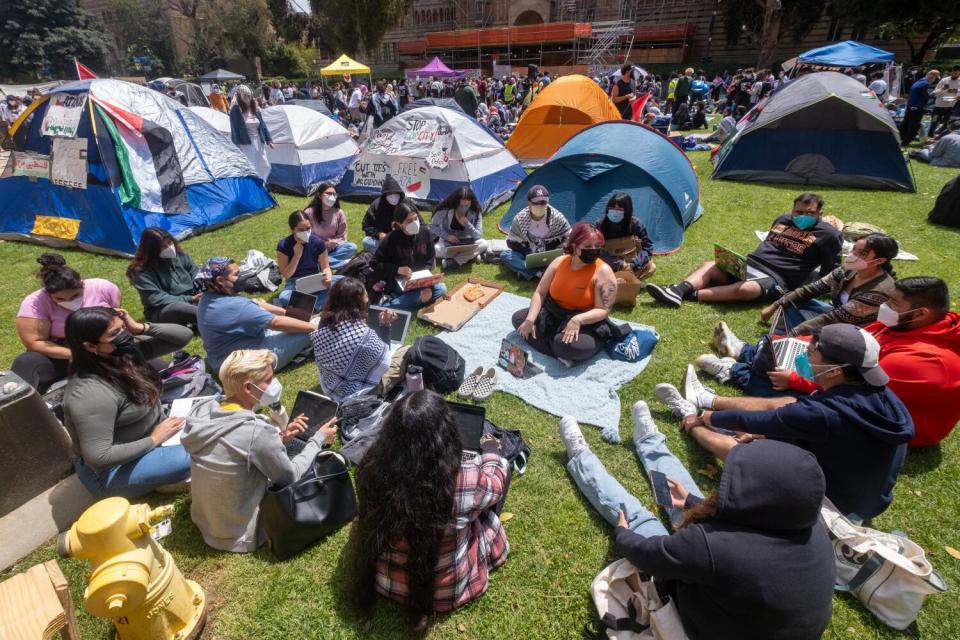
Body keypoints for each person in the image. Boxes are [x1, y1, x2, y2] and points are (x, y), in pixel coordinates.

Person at [559, 405, 834, 640]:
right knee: (691, 500)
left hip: (701, 627)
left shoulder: (715, 547)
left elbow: (647, 554)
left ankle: (582, 459)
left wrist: (622, 534)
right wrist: (691, 502)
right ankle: (650, 442)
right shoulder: (805, 523)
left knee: (640, 521)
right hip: (754, 622)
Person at [660, 324, 914, 520]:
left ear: (835, 370)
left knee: (747, 455)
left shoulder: (823, 414)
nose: (806, 354)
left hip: (833, 508)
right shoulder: (878, 392)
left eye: (812, 351)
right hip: (862, 495)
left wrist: (709, 417)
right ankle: (706, 398)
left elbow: (757, 421)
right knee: (787, 404)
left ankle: (689, 418)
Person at [348, 390, 509, 629]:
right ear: (447, 435)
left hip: (383, 581)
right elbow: (496, 483)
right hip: (447, 591)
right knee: (485, 508)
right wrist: (492, 453)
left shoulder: (371, 467)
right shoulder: (465, 478)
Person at [697, 234, 899, 395]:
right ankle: (754, 351)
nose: (852, 255)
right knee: (791, 304)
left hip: (847, 335)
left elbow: (833, 319)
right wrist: (776, 305)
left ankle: (744, 359)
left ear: (879, 261)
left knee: (790, 359)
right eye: (853, 248)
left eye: (861, 253)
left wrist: (791, 334)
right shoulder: (850, 270)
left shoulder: (879, 291)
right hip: (835, 317)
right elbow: (813, 288)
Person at [181, 349, 337, 552]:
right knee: (325, 466)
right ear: (248, 388)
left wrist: (280, 438)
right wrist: (318, 439)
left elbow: (236, 447)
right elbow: (290, 478)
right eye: (268, 380)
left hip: (207, 520)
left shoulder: (205, 410)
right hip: (239, 533)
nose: (274, 384)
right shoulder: (256, 431)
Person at [62, 307, 193, 498]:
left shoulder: (122, 354)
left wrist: (140, 327)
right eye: (114, 334)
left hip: (154, 434)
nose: (124, 336)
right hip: (112, 472)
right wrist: (155, 439)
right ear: (90, 346)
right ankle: (161, 478)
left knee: (213, 426)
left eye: (123, 328)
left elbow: (184, 336)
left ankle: (165, 473)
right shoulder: (89, 393)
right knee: (202, 449)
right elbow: (99, 457)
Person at [646, 193, 842, 307]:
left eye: (810, 213)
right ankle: (677, 290)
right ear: (792, 209)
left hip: (777, 279)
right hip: (751, 264)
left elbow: (831, 269)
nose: (802, 216)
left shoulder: (828, 234)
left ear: (820, 214)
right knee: (712, 265)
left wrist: (823, 291)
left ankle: (689, 295)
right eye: (799, 212)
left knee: (747, 289)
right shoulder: (782, 220)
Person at [863, 277, 960, 447]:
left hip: (889, 425)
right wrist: (806, 342)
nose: (884, 306)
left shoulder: (924, 360)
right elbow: (856, 339)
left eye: (893, 303)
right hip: (870, 394)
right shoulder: (904, 324)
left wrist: (799, 374)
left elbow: (846, 386)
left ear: (921, 313)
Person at [511, 223, 618, 366]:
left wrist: (577, 320)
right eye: (587, 246)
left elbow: (603, 310)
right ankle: (557, 350)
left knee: (565, 345)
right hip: (553, 314)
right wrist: (530, 320)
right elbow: (540, 292)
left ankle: (557, 347)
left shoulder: (603, 271)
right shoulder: (559, 262)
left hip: (586, 322)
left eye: (597, 246)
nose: (593, 250)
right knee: (519, 319)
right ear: (573, 246)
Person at [195, 257, 316, 373]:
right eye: (236, 274)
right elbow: (276, 323)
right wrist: (317, 328)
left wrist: (289, 313)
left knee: (302, 325)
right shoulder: (235, 306)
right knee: (314, 326)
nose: (242, 277)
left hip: (222, 360)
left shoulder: (208, 297)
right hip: (247, 365)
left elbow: (256, 303)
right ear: (220, 280)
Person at [310, 277, 407, 402]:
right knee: (405, 351)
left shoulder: (324, 322)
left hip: (330, 387)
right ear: (358, 304)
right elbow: (385, 363)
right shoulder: (364, 337)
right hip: (359, 395)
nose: (368, 300)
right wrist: (384, 325)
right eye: (366, 297)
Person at [370, 203, 447, 310]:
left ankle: (407, 299)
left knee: (442, 289)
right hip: (399, 281)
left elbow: (430, 257)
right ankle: (387, 306)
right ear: (399, 223)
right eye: (409, 221)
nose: (415, 223)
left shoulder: (425, 232)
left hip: (421, 280)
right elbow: (375, 263)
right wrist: (397, 270)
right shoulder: (391, 239)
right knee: (425, 295)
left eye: (415, 218)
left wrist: (426, 276)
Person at [128, 227, 200, 326]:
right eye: (163, 247)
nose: (169, 248)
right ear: (152, 250)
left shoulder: (180, 256)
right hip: (164, 308)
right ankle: (211, 316)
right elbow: (157, 299)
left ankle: (203, 318)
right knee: (180, 308)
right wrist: (190, 299)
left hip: (193, 298)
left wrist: (204, 290)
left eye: (170, 243)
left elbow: (196, 274)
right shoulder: (141, 272)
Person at [501, 185, 571, 280]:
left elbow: (569, 236)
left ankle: (527, 272)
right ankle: (540, 274)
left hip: (550, 255)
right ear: (529, 203)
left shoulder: (556, 217)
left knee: (569, 256)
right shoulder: (520, 219)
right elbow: (511, 242)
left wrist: (558, 250)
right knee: (506, 255)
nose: (540, 205)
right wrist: (527, 252)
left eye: (544, 202)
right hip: (528, 255)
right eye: (536, 203)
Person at [275, 210, 335, 310]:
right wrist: (296, 256)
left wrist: (328, 277)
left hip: (315, 279)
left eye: (308, 228)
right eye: (301, 230)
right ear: (292, 229)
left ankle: (306, 306)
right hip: (294, 283)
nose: (306, 232)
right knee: (284, 297)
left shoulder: (318, 243)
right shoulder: (283, 245)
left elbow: (325, 267)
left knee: (341, 283)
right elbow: (286, 275)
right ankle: (317, 305)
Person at [428, 187, 488, 269]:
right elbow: (432, 226)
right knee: (433, 250)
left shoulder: (476, 211)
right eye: (461, 205)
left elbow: (478, 235)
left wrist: (467, 223)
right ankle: (470, 256)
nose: (463, 208)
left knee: (484, 244)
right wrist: (447, 236)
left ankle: (453, 261)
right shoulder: (445, 209)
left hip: (469, 242)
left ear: (471, 203)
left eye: (466, 206)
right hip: (447, 243)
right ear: (455, 203)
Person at [596, 192, 654, 277]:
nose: (615, 211)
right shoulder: (600, 225)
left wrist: (634, 264)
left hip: (632, 265)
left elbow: (647, 247)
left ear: (627, 210)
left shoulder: (636, 224)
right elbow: (598, 249)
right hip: (609, 265)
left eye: (619, 209)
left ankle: (630, 279)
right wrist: (619, 264)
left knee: (651, 267)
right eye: (612, 207)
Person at [303, 183, 357, 269]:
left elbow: (342, 236)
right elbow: (306, 236)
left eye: (334, 194)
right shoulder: (309, 212)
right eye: (328, 193)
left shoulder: (339, 212)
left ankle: (321, 262)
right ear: (320, 195)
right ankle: (344, 264)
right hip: (315, 248)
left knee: (352, 247)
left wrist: (334, 243)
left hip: (333, 248)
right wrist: (324, 244)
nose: (331, 196)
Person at [229, 85, 273, 181]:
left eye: (248, 95)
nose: (247, 97)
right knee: (251, 166)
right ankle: (255, 186)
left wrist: (268, 139)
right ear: (239, 96)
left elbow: (262, 125)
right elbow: (234, 129)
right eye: (244, 95)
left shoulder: (255, 108)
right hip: (246, 142)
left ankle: (261, 183)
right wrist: (237, 145)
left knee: (266, 165)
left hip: (258, 140)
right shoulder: (235, 110)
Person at [361, 176, 411, 253]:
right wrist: (378, 233)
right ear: (385, 195)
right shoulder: (376, 205)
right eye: (390, 193)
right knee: (366, 241)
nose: (393, 196)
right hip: (383, 241)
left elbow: (419, 224)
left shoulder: (406, 204)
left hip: (404, 240)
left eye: (396, 193)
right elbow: (367, 226)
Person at [900, 70, 939, 146]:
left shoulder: (918, 81)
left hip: (910, 106)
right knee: (914, 126)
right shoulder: (925, 84)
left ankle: (900, 138)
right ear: (932, 76)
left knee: (906, 124)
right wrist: (936, 93)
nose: (934, 80)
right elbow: (927, 96)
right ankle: (906, 142)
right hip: (917, 108)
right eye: (935, 78)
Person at [929, 65, 960, 137]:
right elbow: (934, 93)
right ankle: (930, 135)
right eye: (953, 73)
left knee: (947, 123)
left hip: (950, 106)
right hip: (939, 106)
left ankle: (940, 137)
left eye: (956, 73)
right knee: (934, 121)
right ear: (951, 72)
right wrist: (943, 89)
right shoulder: (944, 80)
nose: (954, 75)